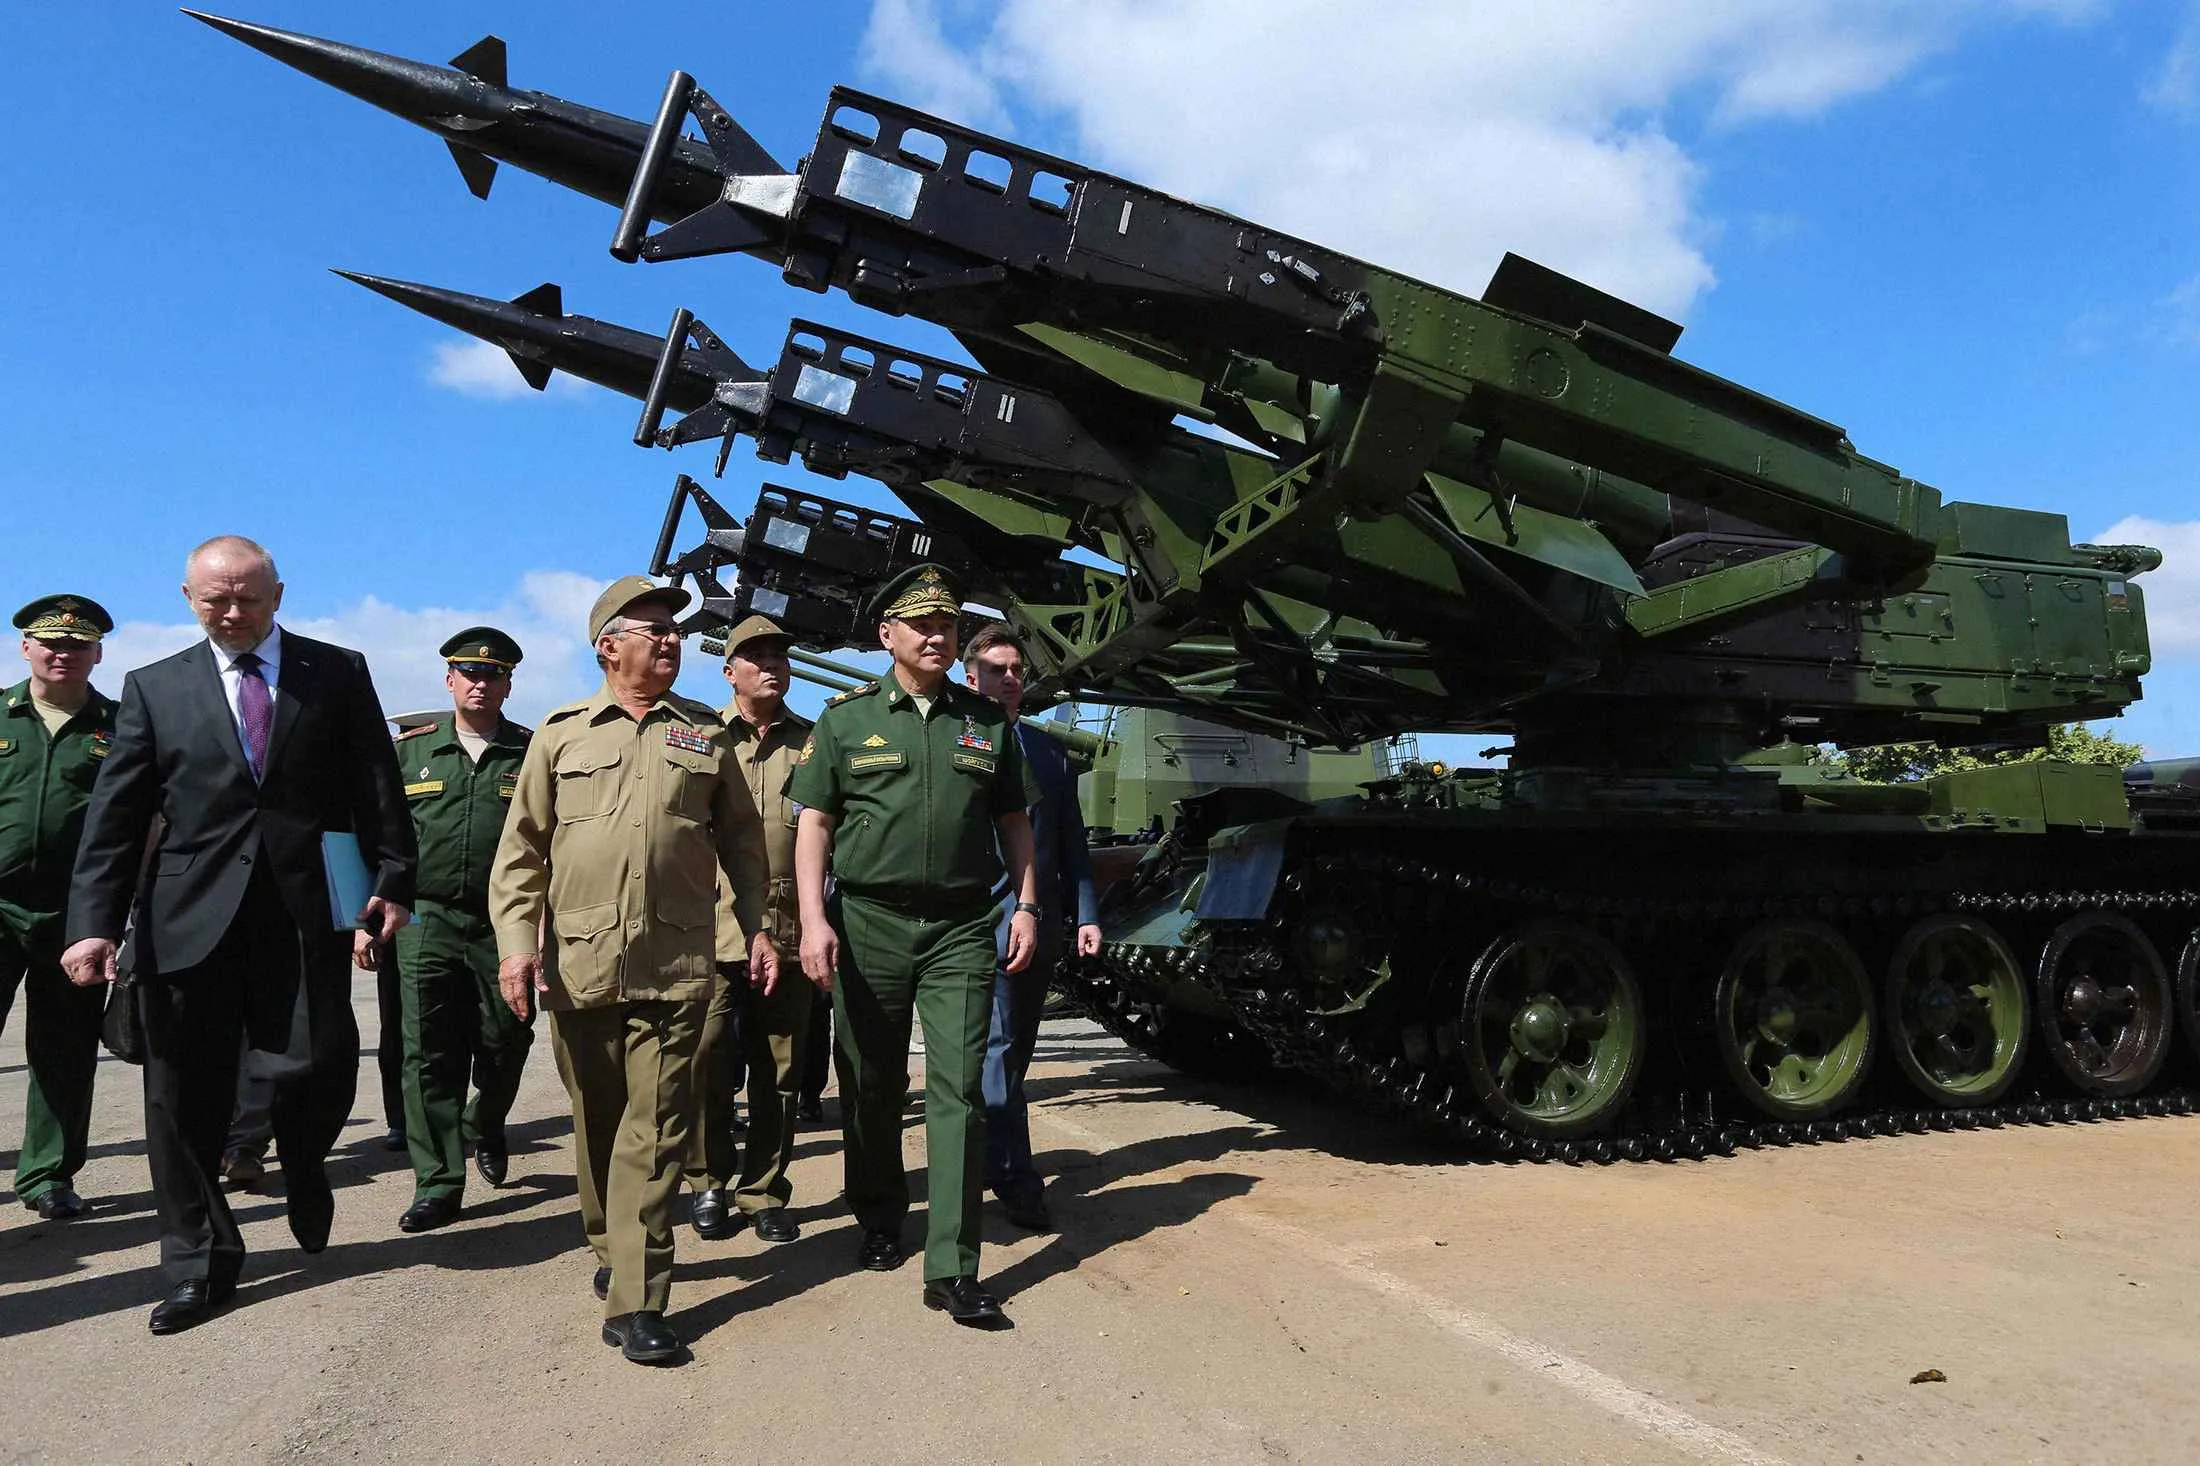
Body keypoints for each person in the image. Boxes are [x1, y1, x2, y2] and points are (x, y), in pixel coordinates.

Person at [62, 536, 414, 1335]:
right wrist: (91, 925)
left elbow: (375, 784)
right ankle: (199, 1260)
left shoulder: (338, 671)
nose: (231, 611)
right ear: (187, 597)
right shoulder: (155, 688)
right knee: (179, 1094)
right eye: (214, 598)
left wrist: (394, 878)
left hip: (299, 911)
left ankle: (304, 1161)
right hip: (185, 918)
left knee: (317, 1062)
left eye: (246, 597)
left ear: (278, 595)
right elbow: (115, 818)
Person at [489, 575, 780, 1366]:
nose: (671, 640)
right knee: (598, 1123)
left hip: (678, 961)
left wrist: (757, 929)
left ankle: (641, 1297)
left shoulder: (704, 735)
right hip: (580, 962)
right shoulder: (560, 734)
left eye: (676, 631)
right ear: (607, 644)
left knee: (657, 1132)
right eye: (652, 628)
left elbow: (745, 850)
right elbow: (520, 856)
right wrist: (518, 947)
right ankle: (609, 1243)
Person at [788, 563, 1041, 1328]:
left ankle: (953, 1267)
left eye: (948, 625)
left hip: (963, 925)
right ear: (886, 635)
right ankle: (876, 1213)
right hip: (869, 922)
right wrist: (813, 920)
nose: (936, 636)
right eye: (921, 625)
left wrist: (1026, 905)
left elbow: (1015, 825)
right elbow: (814, 826)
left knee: (958, 1089)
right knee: (870, 1081)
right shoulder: (845, 721)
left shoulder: (987, 724)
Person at [377, 627, 534, 1234]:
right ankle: (438, 1183)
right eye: (468, 672)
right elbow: (380, 838)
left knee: (506, 1037)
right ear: (449, 680)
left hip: (506, 920)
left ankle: (486, 1121)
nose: (480, 682)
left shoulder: (529, 752)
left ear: (508, 683)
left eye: (492, 674)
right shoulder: (410, 753)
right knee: (428, 1051)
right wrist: (367, 918)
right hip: (425, 915)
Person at [963, 623, 1100, 1232]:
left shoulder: (1047, 752)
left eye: (1017, 669)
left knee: (1016, 1049)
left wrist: (1088, 913)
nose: (1011, 679)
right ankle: (1014, 1174)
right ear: (972, 678)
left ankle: (989, 1153)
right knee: (994, 1047)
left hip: (1039, 922)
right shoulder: (954, 740)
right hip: (976, 921)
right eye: (997, 669)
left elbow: (1071, 840)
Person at [687, 615, 813, 1245]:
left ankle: (763, 1189)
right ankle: (708, 1179)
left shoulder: (815, 743)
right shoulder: (701, 739)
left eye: (779, 655)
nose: (771, 665)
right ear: (729, 670)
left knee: (780, 1069)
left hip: (789, 926)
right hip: (711, 925)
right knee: (705, 1056)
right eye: (755, 656)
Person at [0, 596, 119, 1221]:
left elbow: (142, 822)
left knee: (65, 1048)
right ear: (26, 647)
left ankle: (48, 1174)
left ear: (97, 653)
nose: (62, 653)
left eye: (78, 644)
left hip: (77, 913)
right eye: (50, 642)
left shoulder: (123, 726)